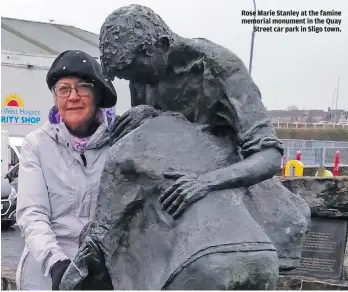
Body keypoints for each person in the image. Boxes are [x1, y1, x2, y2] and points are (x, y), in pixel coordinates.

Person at [99, 4, 310, 271]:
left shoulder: (220, 68)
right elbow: (148, 144)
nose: (132, 80)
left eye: (133, 70)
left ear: (160, 46)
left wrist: (205, 183)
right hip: (168, 191)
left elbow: (269, 157)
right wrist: (149, 115)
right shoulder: (143, 75)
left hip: (222, 187)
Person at [15, 49, 117, 290]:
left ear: (97, 94)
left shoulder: (120, 143)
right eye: (63, 89)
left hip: (105, 272)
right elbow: (33, 214)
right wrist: (57, 264)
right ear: (55, 98)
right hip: (46, 273)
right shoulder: (36, 145)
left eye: (82, 87)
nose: (73, 97)